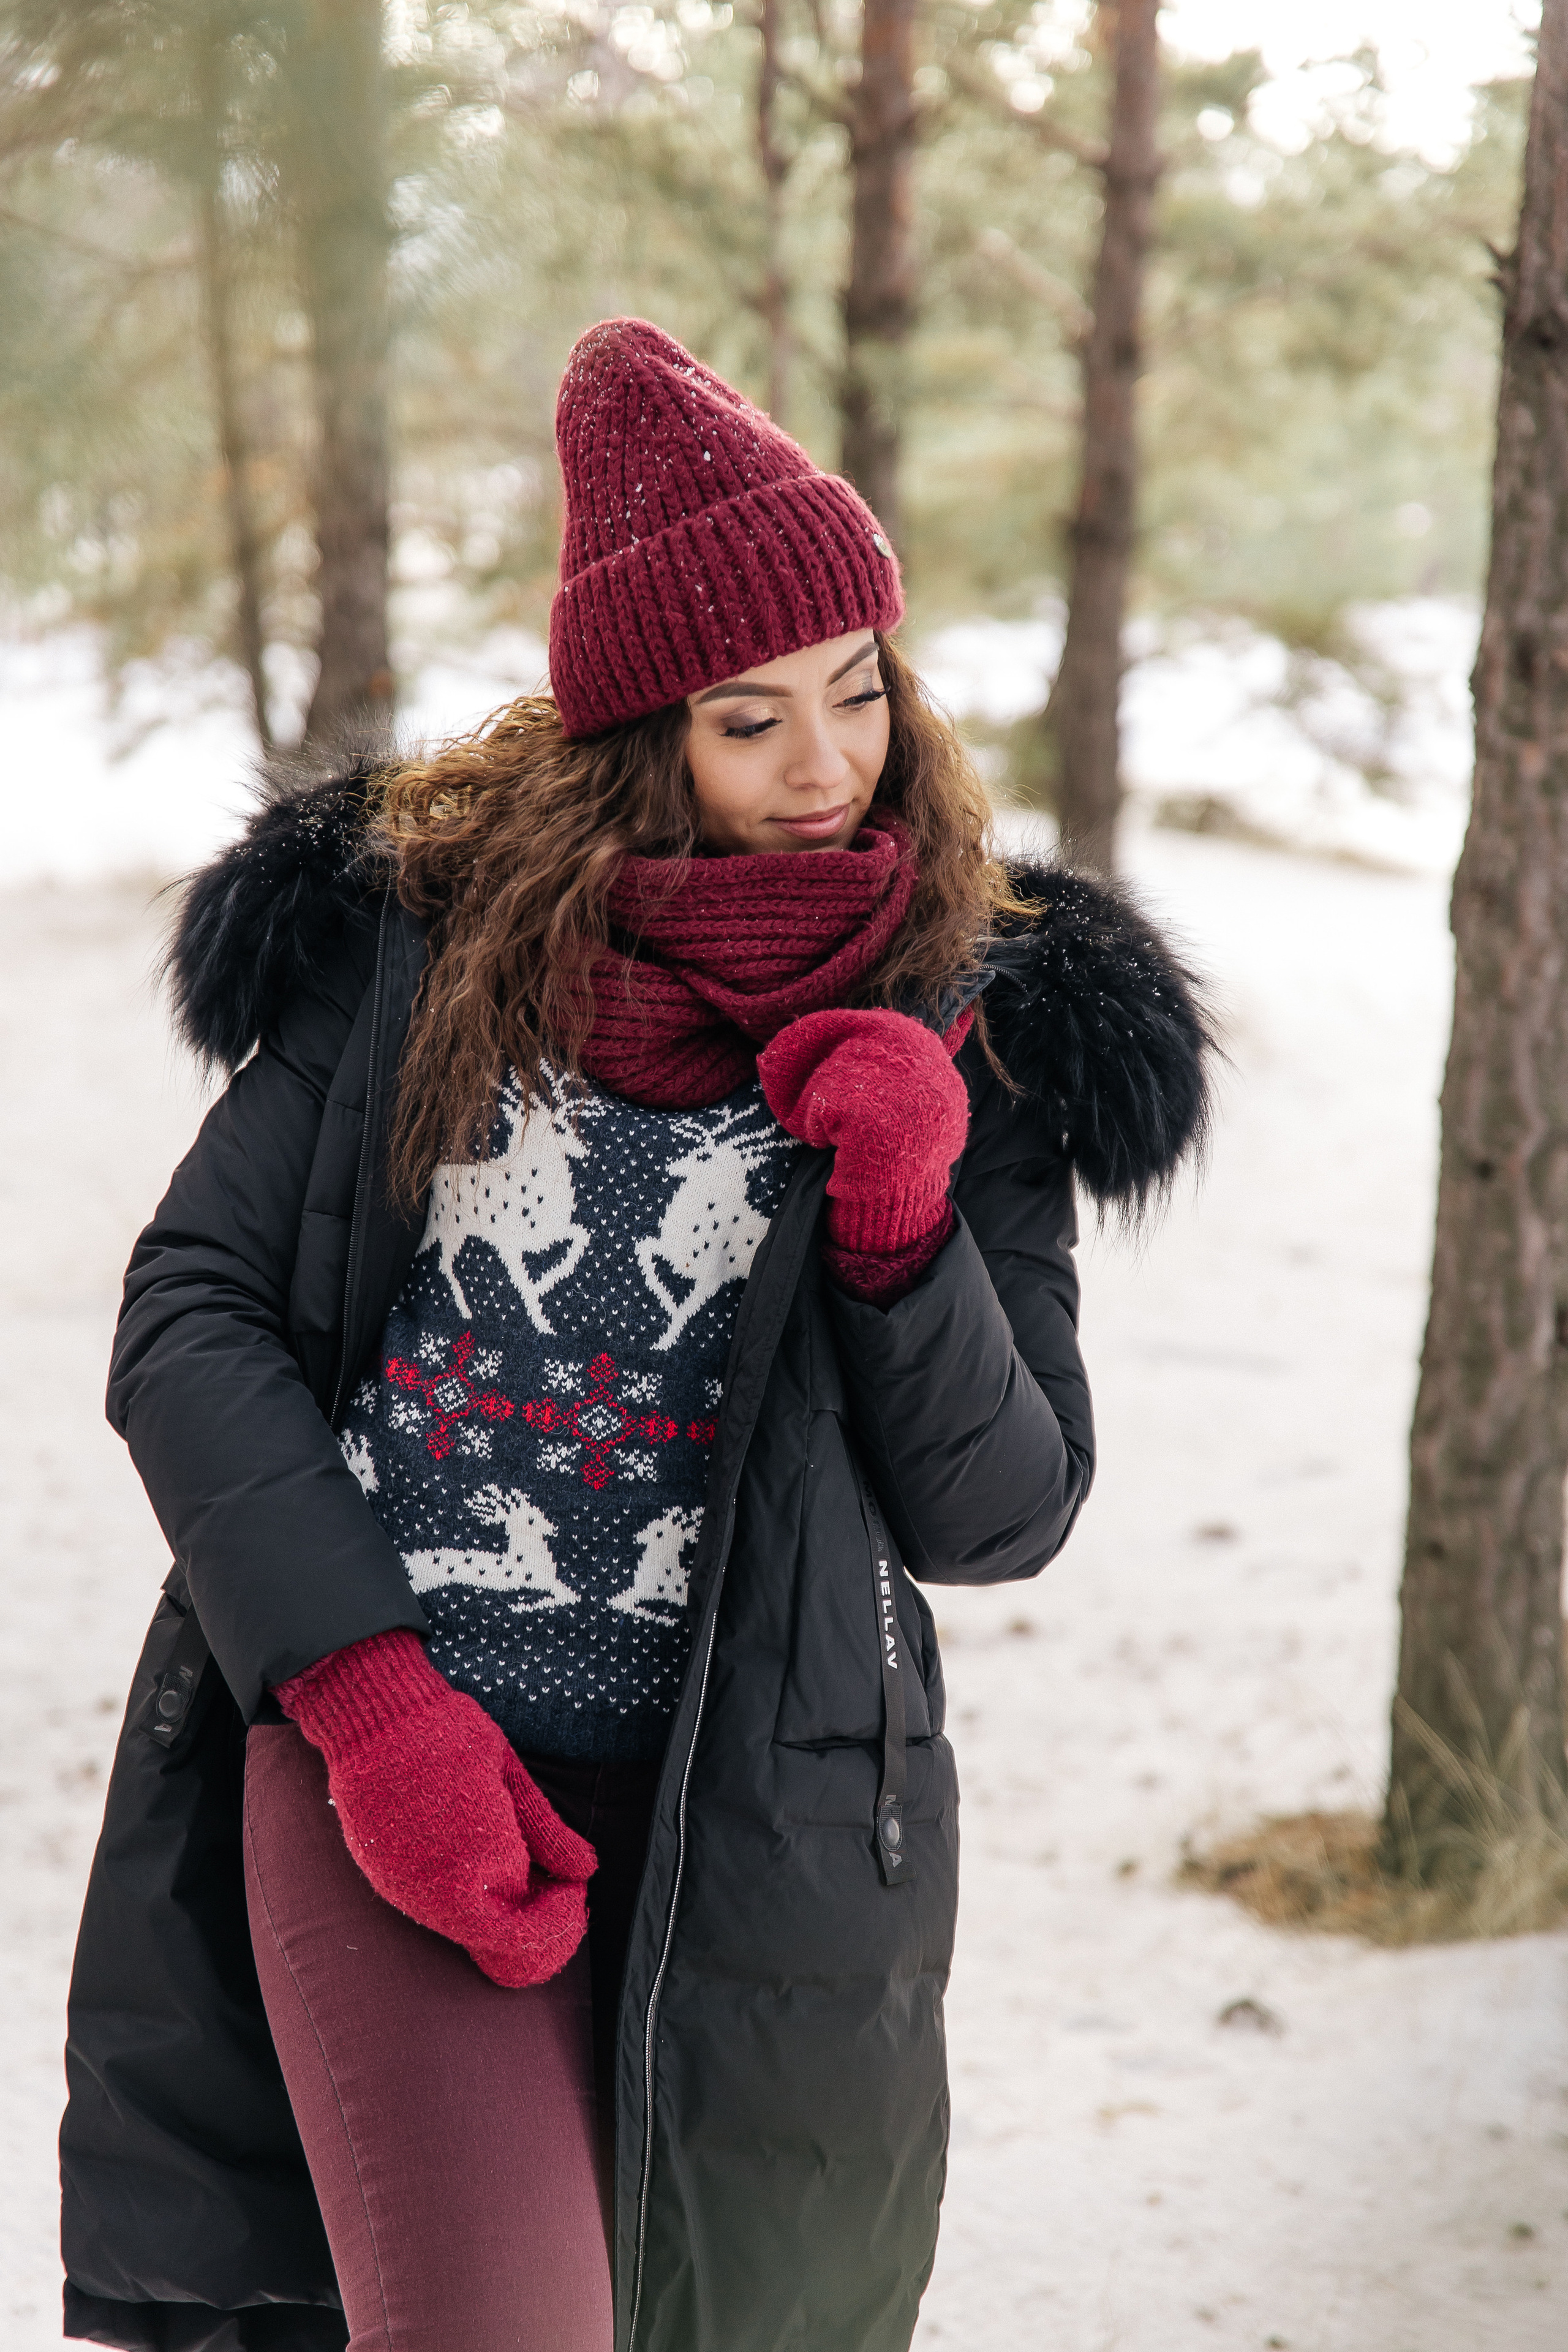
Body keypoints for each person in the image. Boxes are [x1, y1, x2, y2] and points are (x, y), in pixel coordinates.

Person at [60, 318, 1215, 2352]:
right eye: (746, 717)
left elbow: (1004, 1509)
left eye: (857, 693)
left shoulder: (981, 1012)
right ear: (635, 734)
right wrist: (370, 1705)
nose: (823, 766)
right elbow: (191, 1317)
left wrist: (903, 1227)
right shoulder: (417, 941)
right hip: (398, 1774)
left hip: (761, 1832)